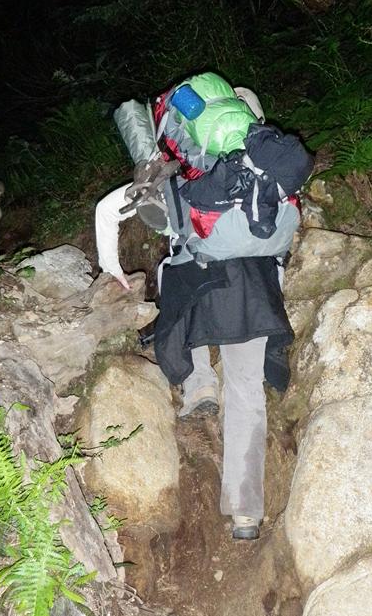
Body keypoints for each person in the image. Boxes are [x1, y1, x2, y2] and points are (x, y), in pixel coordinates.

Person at [95, 86, 296, 541]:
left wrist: (114, 270)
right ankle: (245, 514)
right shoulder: (266, 168)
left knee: (172, 276)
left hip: (198, 285)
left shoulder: (173, 170)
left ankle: (200, 383)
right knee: (246, 391)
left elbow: (107, 211)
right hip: (255, 289)